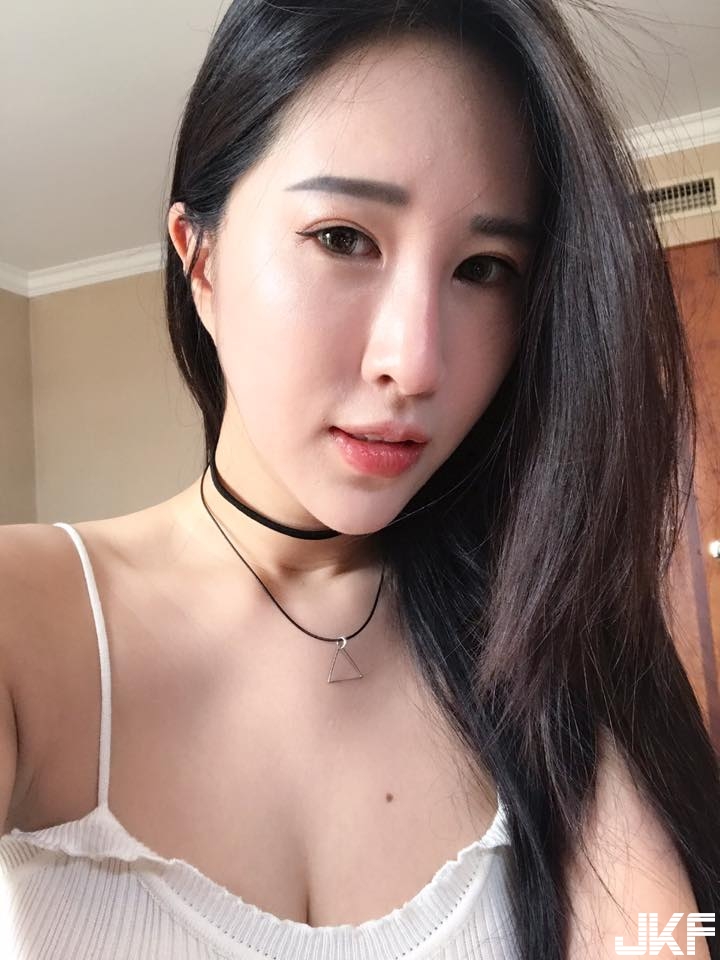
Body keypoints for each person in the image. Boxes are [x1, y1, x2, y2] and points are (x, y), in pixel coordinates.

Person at [0, 0, 718, 958]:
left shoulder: (547, 633)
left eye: (484, 268)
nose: (414, 364)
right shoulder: (27, 621)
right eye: (343, 238)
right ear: (200, 259)